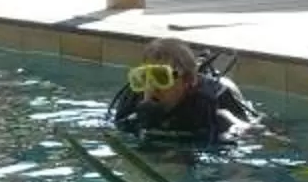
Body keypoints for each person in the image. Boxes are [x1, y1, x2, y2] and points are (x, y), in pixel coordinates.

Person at [106, 36, 261, 147]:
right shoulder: (132, 104)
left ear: (187, 80)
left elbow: (253, 135)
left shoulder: (213, 111)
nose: (150, 88)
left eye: (162, 77)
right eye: (144, 77)